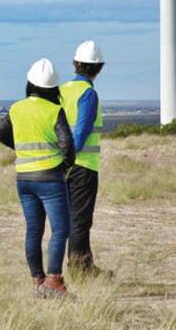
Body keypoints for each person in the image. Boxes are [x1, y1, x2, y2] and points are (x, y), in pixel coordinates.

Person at [0, 58, 76, 297]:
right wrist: (65, 166)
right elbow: (67, 145)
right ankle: (53, 281)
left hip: (24, 178)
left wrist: (21, 149)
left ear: (29, 83)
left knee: (34, 230)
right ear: (53, 88)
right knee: (60, 229)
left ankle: (37, 281)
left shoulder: (16, 108)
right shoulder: (54, 110)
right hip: (51, 178)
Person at [59, 40, 106, 275]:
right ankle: (80, 270)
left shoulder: (61, 90)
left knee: (70, 218)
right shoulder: (88, 94)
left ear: (75, 64)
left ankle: (83, 264)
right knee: (80, 219)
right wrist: (70, 158)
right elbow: (81, 131)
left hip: (61, 165)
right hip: (83, 166)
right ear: (100, 67)